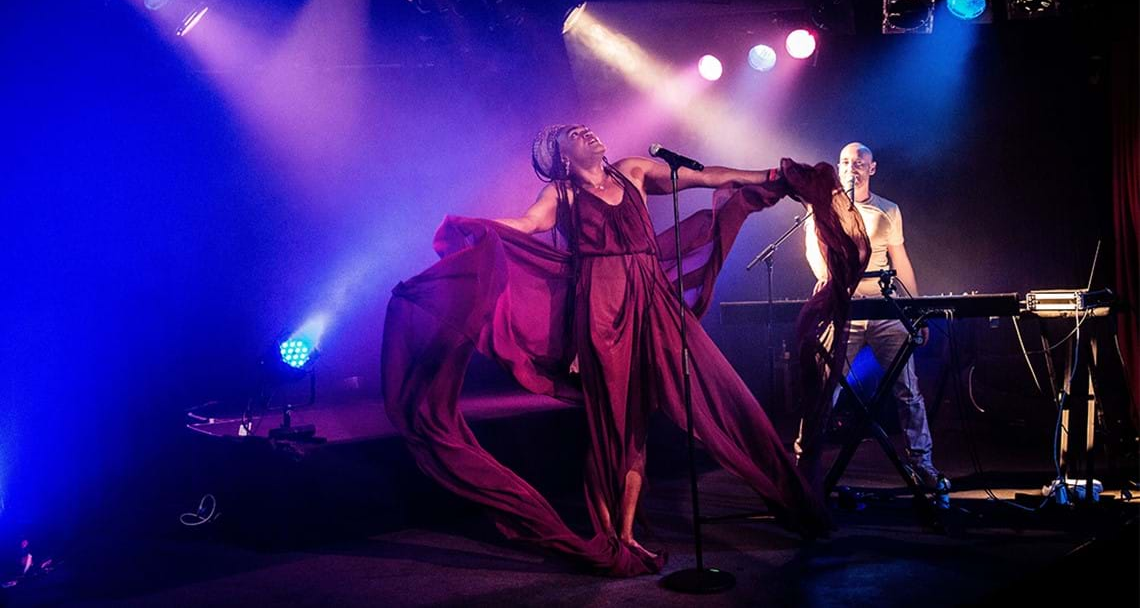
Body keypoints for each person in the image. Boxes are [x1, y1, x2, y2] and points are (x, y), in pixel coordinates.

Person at [381, 125, 863, 576]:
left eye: (583, 127)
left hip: (651, 299)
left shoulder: (632, 170)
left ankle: (754, 504)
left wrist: (770, 176)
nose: (586, 131)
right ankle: (615, 536)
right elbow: (526, 226)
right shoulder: (561, 193)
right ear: (559, 158)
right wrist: (474, 225)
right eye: (573, 134)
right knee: (615, 423)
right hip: (600, 309)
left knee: (713, 395)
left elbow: (703, 177)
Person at [796, 142, 947, 492]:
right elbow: (813, 256)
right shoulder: (822, 208)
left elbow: (900, 261)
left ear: (872, 168)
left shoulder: (888, 210)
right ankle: (804, 467)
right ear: (838, 167)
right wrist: (834, 284)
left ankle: (922, 465)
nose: (853, 167)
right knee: (823, 389)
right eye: (846, 162)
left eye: (860, 162)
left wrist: (916, 310)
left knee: (908, 389)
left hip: (884, 307)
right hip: (842, 308)